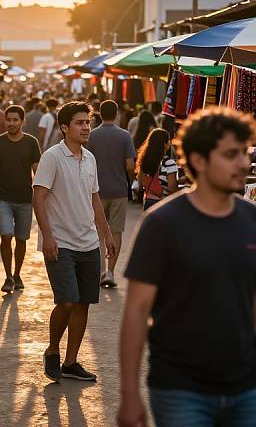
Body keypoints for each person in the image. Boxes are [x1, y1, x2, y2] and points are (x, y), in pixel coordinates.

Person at [118, 107, 256, 427]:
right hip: (181, 388)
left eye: (245, 153)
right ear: (198, 160)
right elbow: (137, 311)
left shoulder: (252, 221)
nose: (244, 163)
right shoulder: (162, 224)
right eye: (231, 154)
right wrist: (128, 393)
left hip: (247, 387)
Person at [33, 101, 116, 383]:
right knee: (67, 300)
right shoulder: (52, 157)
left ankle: (71, 362)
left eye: (87, 122)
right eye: (80, 123)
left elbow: (94, 199)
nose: (86, 127)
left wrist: (106, 235)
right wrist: (47, 236)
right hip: (60, 243)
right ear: (64, 127)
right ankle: (53, 349)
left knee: (83, 304)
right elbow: (39, 197)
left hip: (88, 243)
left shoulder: (90, 159)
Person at [0, 105, 41, 293]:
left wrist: (41, 197)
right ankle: (8, 276)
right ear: (4, 121)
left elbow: (37, 171)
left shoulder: (31, 143)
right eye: (8, 120)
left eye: (15, 120)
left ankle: (17, 274)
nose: (11, 123)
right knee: (6, 235)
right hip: (3, 198)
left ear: (22, 121)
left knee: (21, 239)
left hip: (25, 199)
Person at [87, 100, 135, 288]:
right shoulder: (124, 136)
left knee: (98, 232)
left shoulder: (92, 136)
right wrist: (130, 181)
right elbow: (130, 165)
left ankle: (99, 271)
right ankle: (111, 272)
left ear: (99, 113)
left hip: (96, 191)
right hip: (119, 190)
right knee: (116, 231)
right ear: (117, 114)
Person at [135, 128, 178, 211]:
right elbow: (172, 188)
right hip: (164, 203)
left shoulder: (145, 160)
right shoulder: (169, 163)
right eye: (168, 140)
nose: (170, 143)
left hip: (148, 201)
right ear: (165, 144)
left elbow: (140, 181)